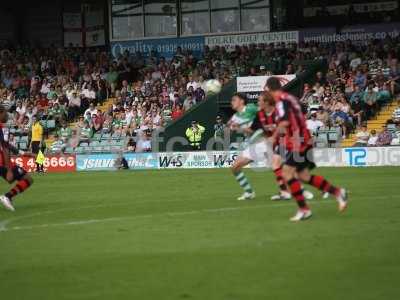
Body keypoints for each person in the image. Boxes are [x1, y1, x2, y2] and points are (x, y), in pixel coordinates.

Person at [266, 77, 348, 222]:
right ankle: (337, 192)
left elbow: (284, 122)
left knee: (287, 173)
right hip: (302, 139)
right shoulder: (289, 98)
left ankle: (304, 209)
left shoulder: (281, 101)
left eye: (266, 90)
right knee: (303, 176)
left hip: (298, 142)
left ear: (270, 89)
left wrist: (273, 136)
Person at [0, 105, 34, 212]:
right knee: (28, 179)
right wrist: (9, 169)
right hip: (2, 162)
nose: (7, 115)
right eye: (5, 113)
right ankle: (7, 196)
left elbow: (6, 144)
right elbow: (5, 147)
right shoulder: (2, 127)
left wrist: (22, 153)